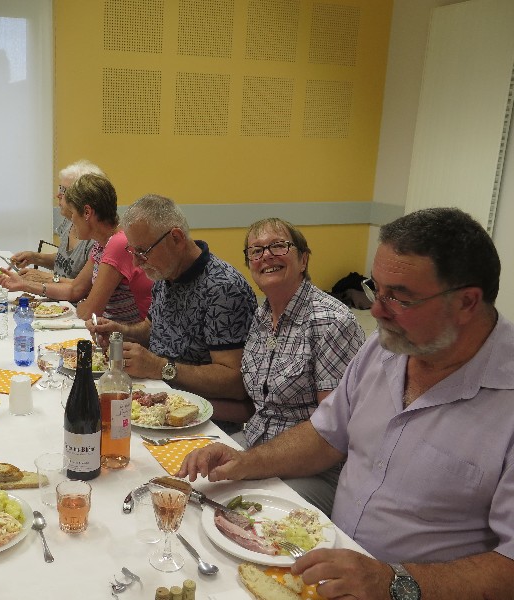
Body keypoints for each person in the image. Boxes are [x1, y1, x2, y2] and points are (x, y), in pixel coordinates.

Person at [179, 207, 514, 599]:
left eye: (399, 298)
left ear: (467, 303)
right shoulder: (384, 348)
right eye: (376, 289)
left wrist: (393, 581)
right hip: (331, 561)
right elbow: (325, 435)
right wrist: (245, 462)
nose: (376, 311)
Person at [89, 195, 257, 427]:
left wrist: (159, 367)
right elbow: (153, 329)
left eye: (143, 252)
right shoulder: (166, 272)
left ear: (176, 238)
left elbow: (235, 382)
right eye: (132, 252)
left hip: (200, 419)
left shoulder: (224, 289)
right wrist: (120, 332)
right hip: (157, 400)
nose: (136, 263)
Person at [239, 218, 364, 514]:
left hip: (316, 470)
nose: (266, 256)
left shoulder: (330, 322)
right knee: (193, 482)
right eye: (256, 251)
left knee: (245, 513)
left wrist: (250, 465)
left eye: (278, 246)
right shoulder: (262, 316)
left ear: (303, 259)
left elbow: (333, 435)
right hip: (257, 445)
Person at [0, 174, 153, 323]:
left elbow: (88, 312)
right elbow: (75, 289)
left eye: (72, 213)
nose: (71, 220)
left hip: (125, 337)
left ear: (87, 212)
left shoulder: (118, 244)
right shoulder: (101, 243)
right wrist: (23, 284)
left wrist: (83, 302)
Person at [9, 159, 102, 283]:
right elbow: (65, 263)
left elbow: (85, 287)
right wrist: (35, 258)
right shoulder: (68, 222)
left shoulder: (96, 238)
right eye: (60, 188)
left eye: (64, 191)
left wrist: (48, 278)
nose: (58, 195)